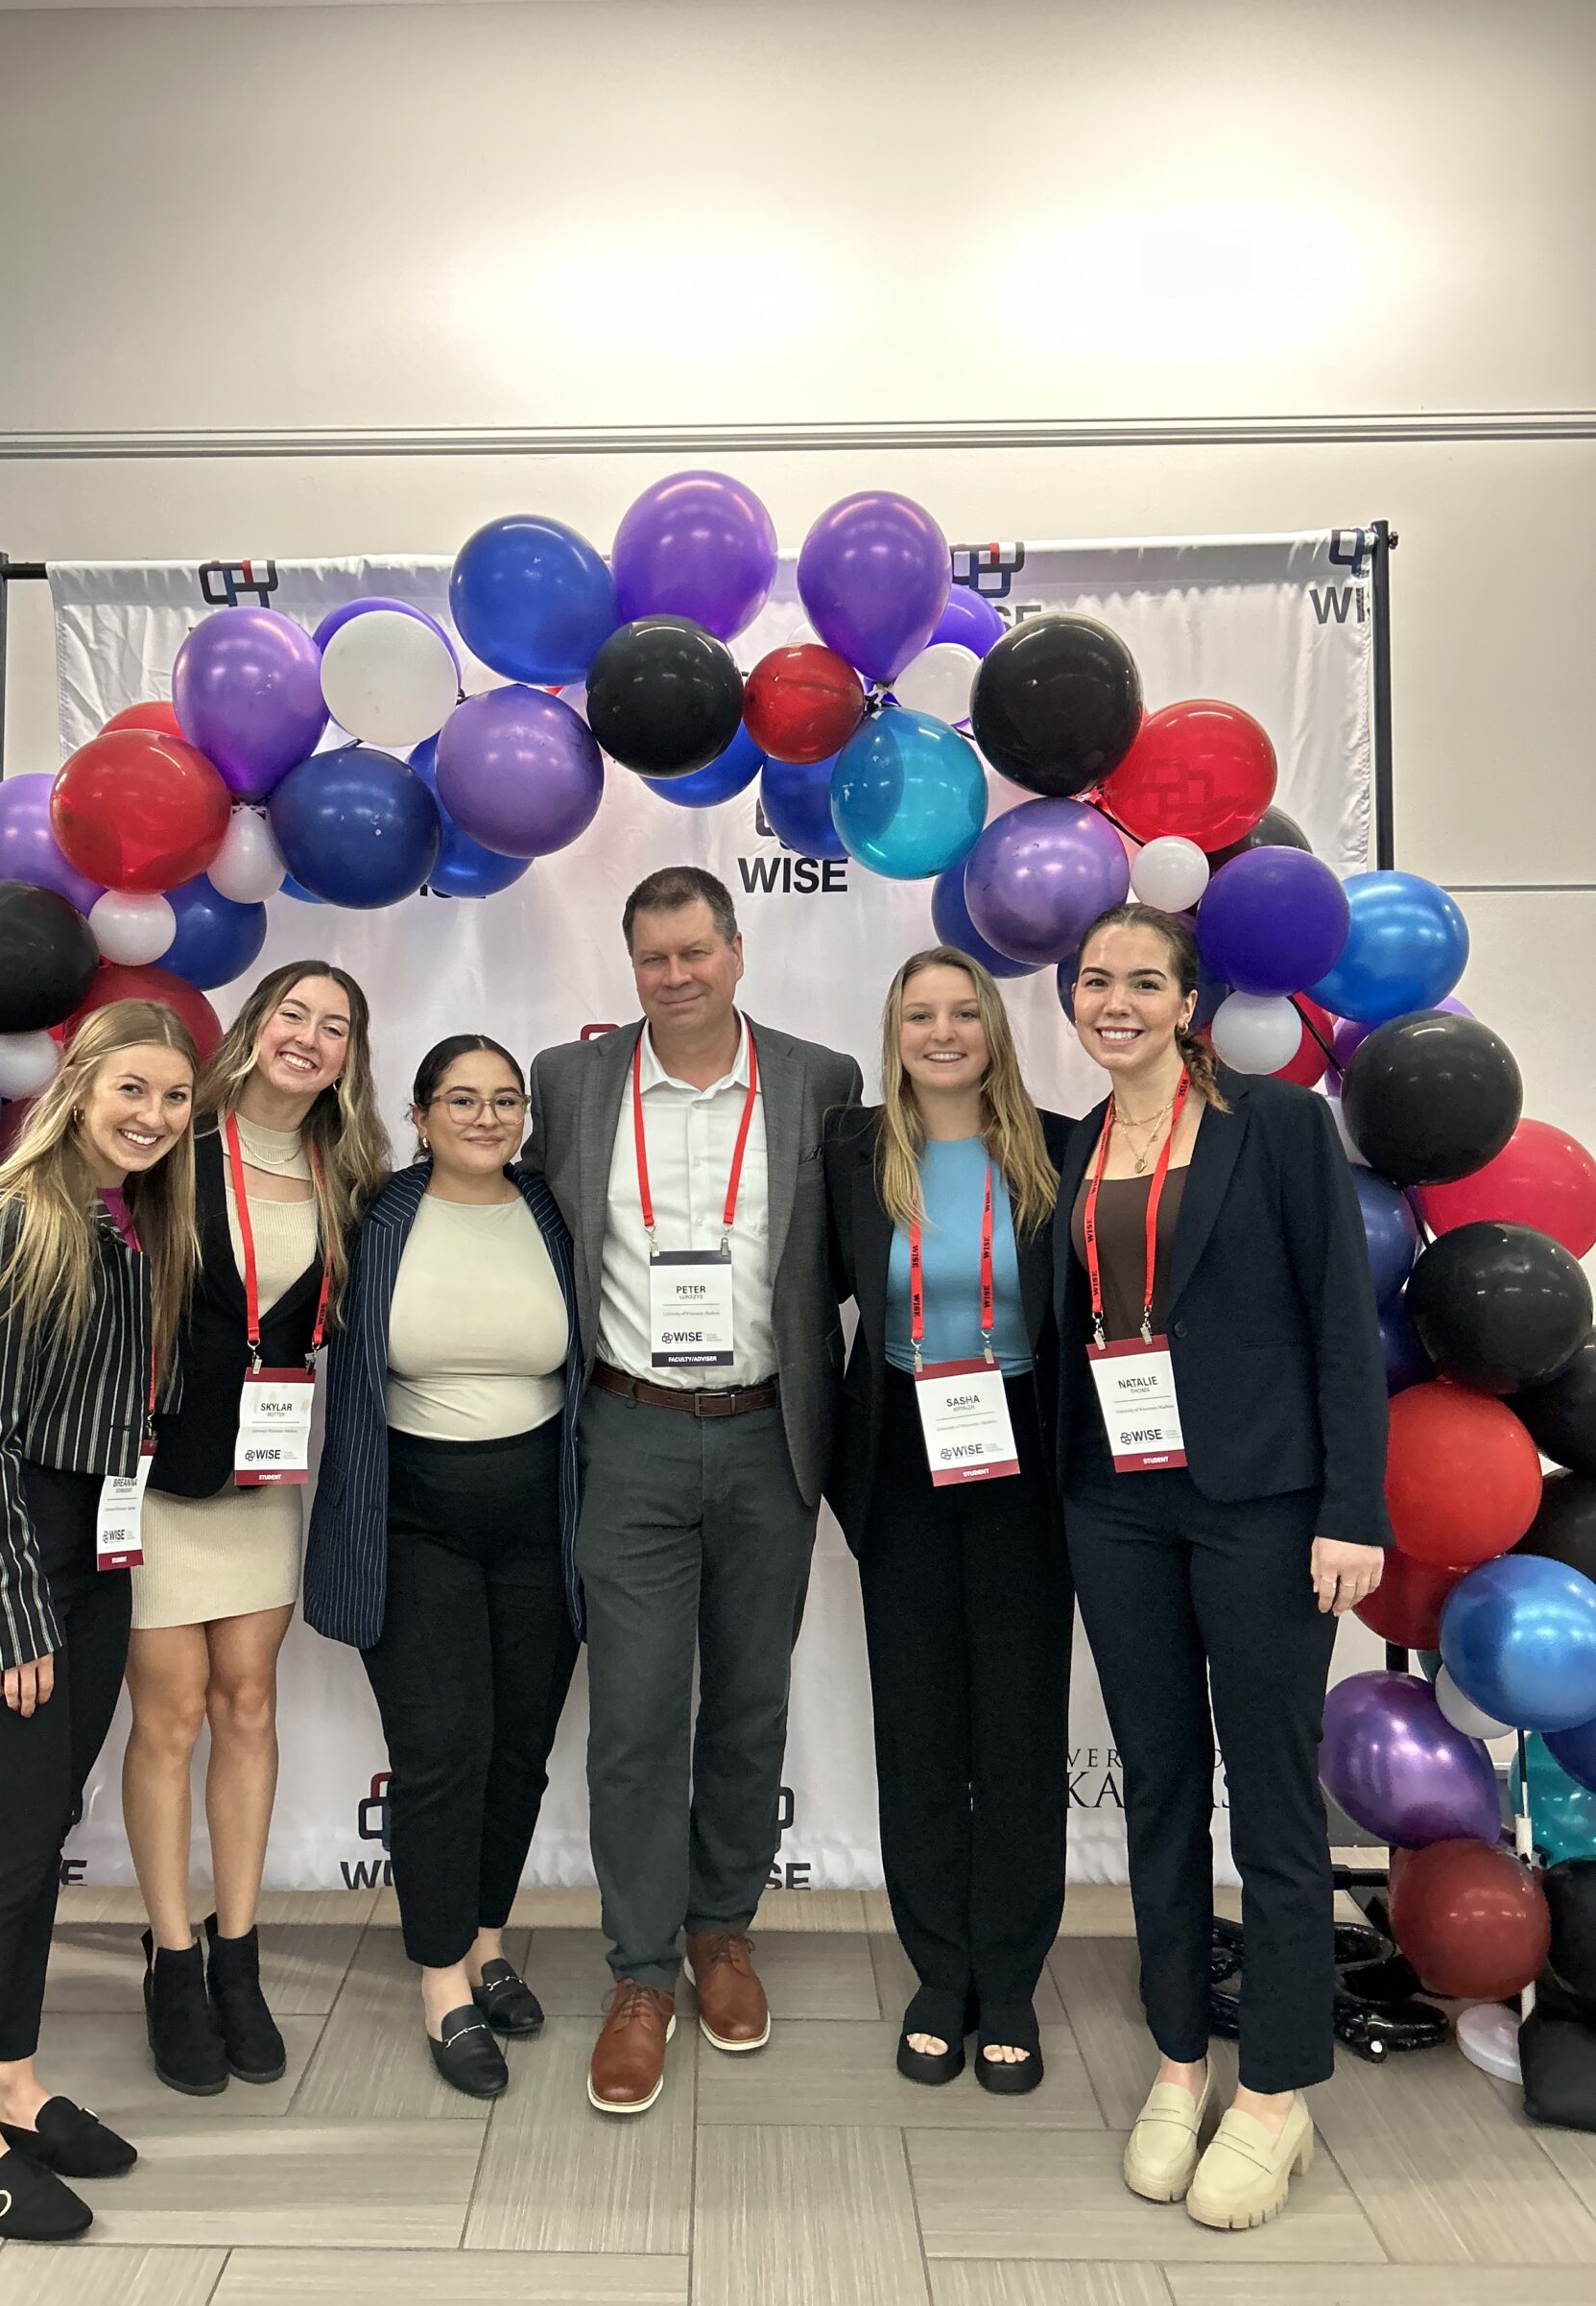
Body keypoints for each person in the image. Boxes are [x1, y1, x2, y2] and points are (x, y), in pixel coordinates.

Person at [1053, 903, 1387, 2232]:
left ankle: (1277, 2093)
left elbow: (1340, 1331)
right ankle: (1182, 2058)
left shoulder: (1282, 1125)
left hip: (1264, 1504)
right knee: (1158, 1791)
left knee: (1274, 1804)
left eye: (1145, 981)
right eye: (1094, 982)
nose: (1116, 1001)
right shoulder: (1076, 1144)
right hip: (1116, 1506)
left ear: (1189, 1002)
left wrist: (1352, 1511)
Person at [525, 865, 862, 2114]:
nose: (675, 978)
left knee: (748, 1704)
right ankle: (639, 1972)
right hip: (630, 1434)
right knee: (634, 1717)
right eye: (652, 959)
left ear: (736, 950)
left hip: (772, 1436)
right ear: (632, 968)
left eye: (694, 954)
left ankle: (723, 1930)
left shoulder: (820, 1081)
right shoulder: (572, 1083)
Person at [0, 1001, 201, 2242]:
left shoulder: (130, 1220)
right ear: (77, 1086)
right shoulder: (3, 1220)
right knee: (1, 1852)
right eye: (133, 1090)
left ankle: (14, 2083)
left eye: (175, 1100)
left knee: (42, 1834)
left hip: (91, 1547)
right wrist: (15, 1613)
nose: (153, 1118)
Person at [122, 963, 388, 2097]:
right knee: (171, 1715)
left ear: (348, 1058)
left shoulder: (354, 1176)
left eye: (334, 1029)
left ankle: (240, 1958)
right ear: (255, 1025)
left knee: (248, 1700)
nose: (310, 1039)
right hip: (155, 1477)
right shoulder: (172, 1151)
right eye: (294, 1015)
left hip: (267, 1475)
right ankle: (171, 1960)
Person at [306, 1034, 584, 2098]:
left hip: (540, 1516)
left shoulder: (551, 1208)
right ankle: (440, 1983)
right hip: (411, 1517)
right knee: (441, 1748)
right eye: (459, 1100)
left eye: (504, 1099)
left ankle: (484, 1940)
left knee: (518, 1746)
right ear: (417, 1117)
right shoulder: (377, 1216)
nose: (485, 1116)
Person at [823, 946, 1075, 2094]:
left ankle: (1011, 1978)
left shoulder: (1061, 1149)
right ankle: (938, 1970)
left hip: (1027, 1450)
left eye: (963, 1012)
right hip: (903, 1448)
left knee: (1018, 1726)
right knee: (918, 1723)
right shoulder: (852, 1149)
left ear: (995, 1028)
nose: (942, 1031)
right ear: (895, 1032)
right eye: (919, 1014)